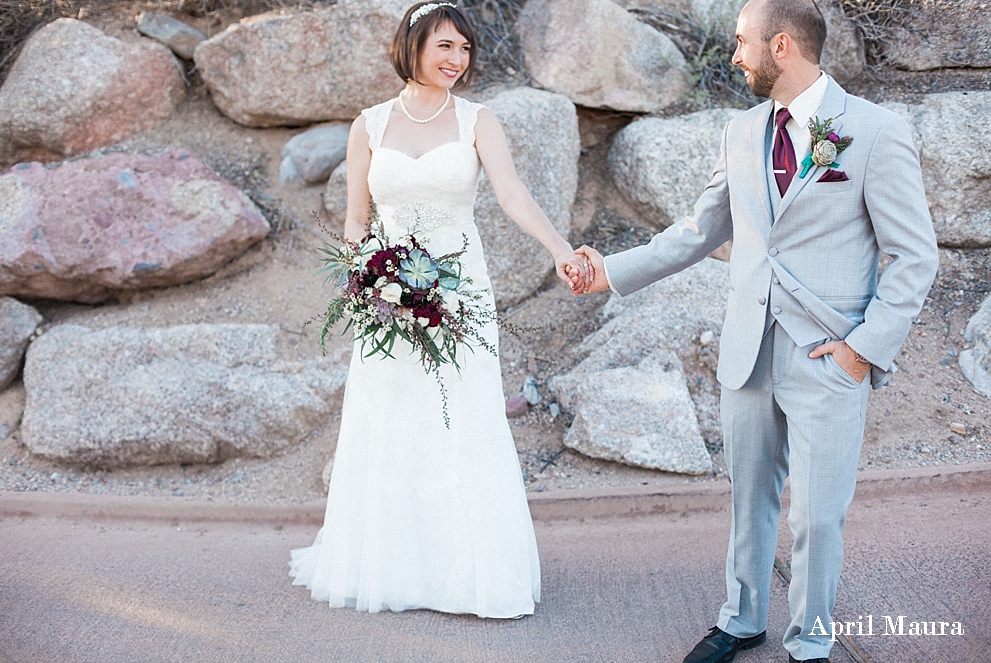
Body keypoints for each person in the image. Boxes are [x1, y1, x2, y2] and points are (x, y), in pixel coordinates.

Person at [574, 0, 938, 660]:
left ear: (781, 48)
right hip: (747, 348)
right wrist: (611, 272)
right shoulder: (740, 131)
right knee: (749, 502)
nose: (733, 55)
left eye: (742, 42)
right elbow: (699, 230)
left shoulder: (872, 131)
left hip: (829, 354)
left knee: (816, 516)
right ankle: (740, 619)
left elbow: (915, 255)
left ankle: (810, 641)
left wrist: (861, 350)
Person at [289, 2, 585, 619]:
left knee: (462, 418)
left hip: (460, 291)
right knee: (391, 418)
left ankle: (467, 572)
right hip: (388, 297)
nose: (457, 60)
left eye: (465, 49)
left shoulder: (478, 121)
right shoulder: (368, 124)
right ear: (412, 46)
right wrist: (364, 275)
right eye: (444, 47)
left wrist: (559, 248)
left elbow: (510, 194)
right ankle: (393, 566)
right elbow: (355, 217)